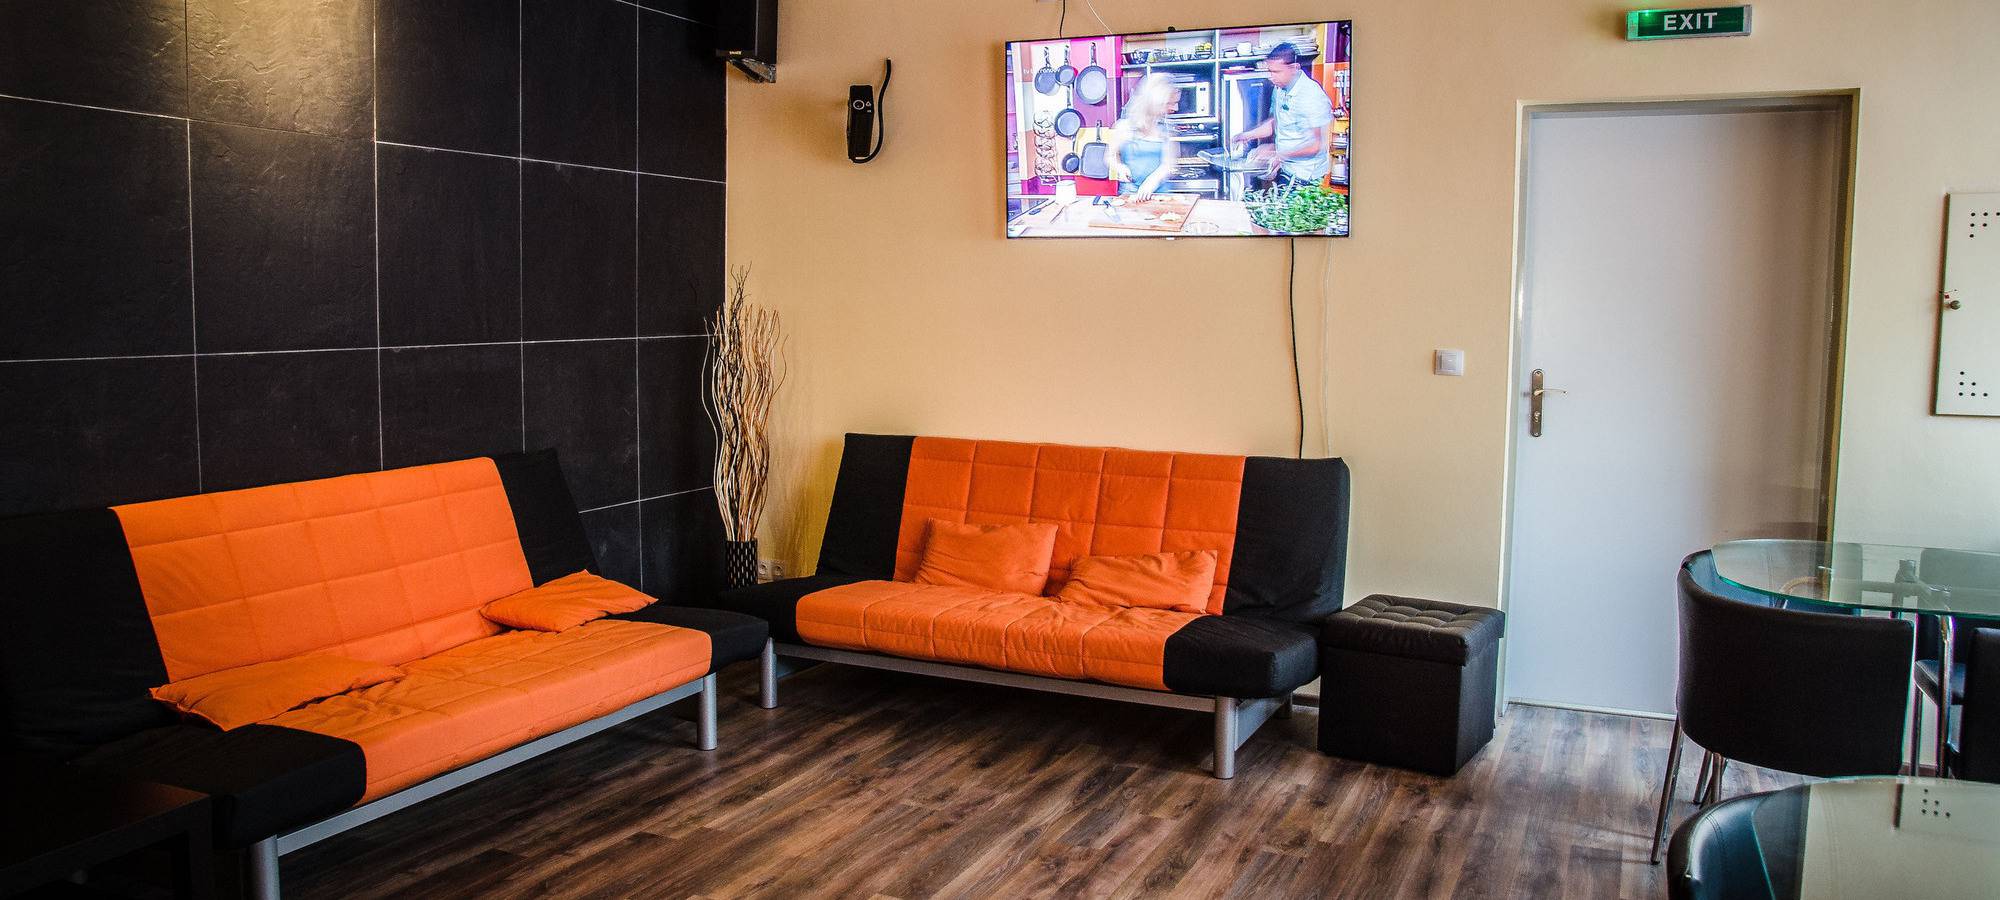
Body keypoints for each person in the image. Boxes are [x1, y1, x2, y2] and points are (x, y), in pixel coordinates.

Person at [1229, 42, 1334, 189]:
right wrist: (1246, 135)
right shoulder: (1279, 89)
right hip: (1287, 170)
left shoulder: (1311, 96)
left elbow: (1316, 145)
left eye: (1276, 72)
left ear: (1294, 68)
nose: (1271, 77)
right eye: (1270, 71)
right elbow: (1276, 122)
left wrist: (1278, 154)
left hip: (1307, 178)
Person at [1106, 73, 1179, 201]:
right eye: (1169, 103)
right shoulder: (1124, 127)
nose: (1175, 108)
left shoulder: (1167, 129)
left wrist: (1151, 182)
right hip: (1130, 195)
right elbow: (1110, 156)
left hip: (1160, 196)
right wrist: (1120, 167)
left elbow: (1168, 165)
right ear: (1154, 102)